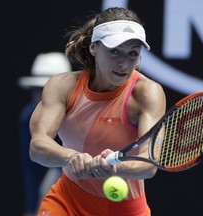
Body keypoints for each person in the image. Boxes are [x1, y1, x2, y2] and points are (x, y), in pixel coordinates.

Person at [29, 7, 166, 216]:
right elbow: (37, 147)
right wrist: (71, 157)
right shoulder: (62, 86)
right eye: (114, 51)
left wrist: (116, 167)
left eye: (133, 54)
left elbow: (149, 164)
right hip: (68, 202)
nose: (123, 63)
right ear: (94, 48)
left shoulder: (147, 93)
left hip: (126, 210)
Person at [17, 52, 72, 216]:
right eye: (37, 89)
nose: (41, 96)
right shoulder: (27, 117)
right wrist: (31, 209)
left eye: (48, 89)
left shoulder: (81, 115)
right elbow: (31, 172)